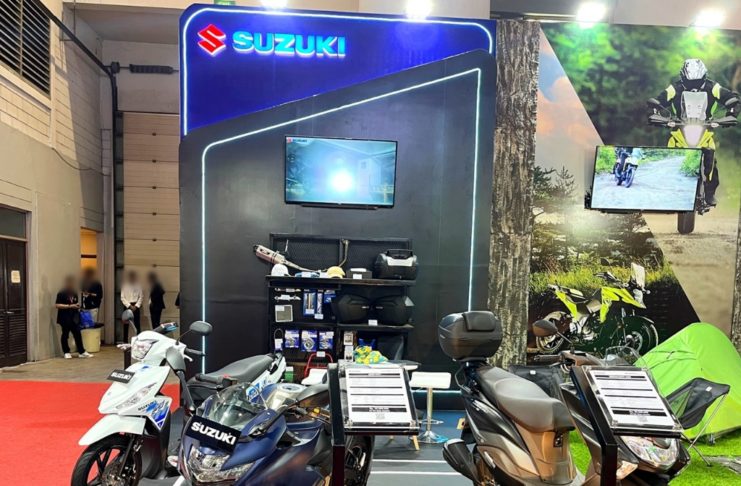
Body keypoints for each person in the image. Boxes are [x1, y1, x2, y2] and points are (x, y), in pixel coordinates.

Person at [649, 59, 739, 206]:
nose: (693, 86)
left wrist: (731, 112)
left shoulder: (712, 87)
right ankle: (667, 189)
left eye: (697, 82)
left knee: (711, 158)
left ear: (704, 77)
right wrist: (655, 112)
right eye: (690, 83)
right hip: (679, 128)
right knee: (668, 157)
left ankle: (709, 192)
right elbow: (659, 100)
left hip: (705, 128)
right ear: (683, 78)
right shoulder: (675, 88)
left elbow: (730, 98)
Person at [55, 275, 92, 359]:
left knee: (77, 333)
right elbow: (57, 305)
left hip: (74, 318)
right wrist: (70, 306)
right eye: (70, 283)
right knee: (65, 334)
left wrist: (76, 306)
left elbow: (75, 303)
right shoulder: (61, 293)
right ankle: (66, 352)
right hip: (64, 318)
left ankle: (81, 351)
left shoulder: (74, 293)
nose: (71, 285)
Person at [120, 271, 143, 342]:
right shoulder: (125, 286)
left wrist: (136, 306)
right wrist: (129, 306)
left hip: (136, 306)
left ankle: (138, 341)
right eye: (131, 277)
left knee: (137, 324)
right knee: (126, 324)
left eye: (133, 277)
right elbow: (122, 297)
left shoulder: (138, 285)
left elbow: (141, 297)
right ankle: (125, 341)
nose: (132, 278)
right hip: (127, 305)